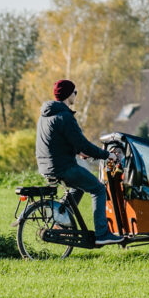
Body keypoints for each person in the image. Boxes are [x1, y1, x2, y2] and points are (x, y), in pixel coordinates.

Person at [36, 79, 122, 245]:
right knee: (98, 189)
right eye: (75, 92)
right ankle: (102, 234)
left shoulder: (45, 116)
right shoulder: (64, 116)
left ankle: (61, 222)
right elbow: (83, 144)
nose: (76, 96)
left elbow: (58, 142)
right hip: (62, 167)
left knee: (80, 186)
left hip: (46, 165)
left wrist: (79, 152)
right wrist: (107, 156)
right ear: (69, 94)